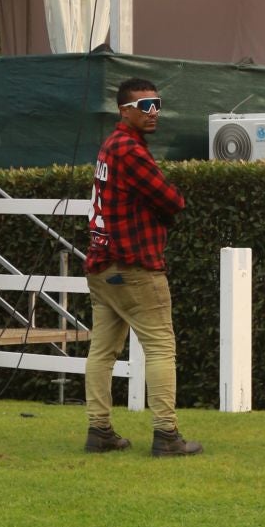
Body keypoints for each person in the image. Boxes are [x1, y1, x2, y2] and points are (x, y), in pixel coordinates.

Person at [82, 78, 202, 456]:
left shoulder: (109, 147)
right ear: (124, 111)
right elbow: (171, 200)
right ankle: (167, 435)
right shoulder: (130, 151)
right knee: (161, 348)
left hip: (103, 267)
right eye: (145, 106)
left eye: (157, 104)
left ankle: (99, 431)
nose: (154, 113)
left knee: (102, 352)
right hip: (134, 267)